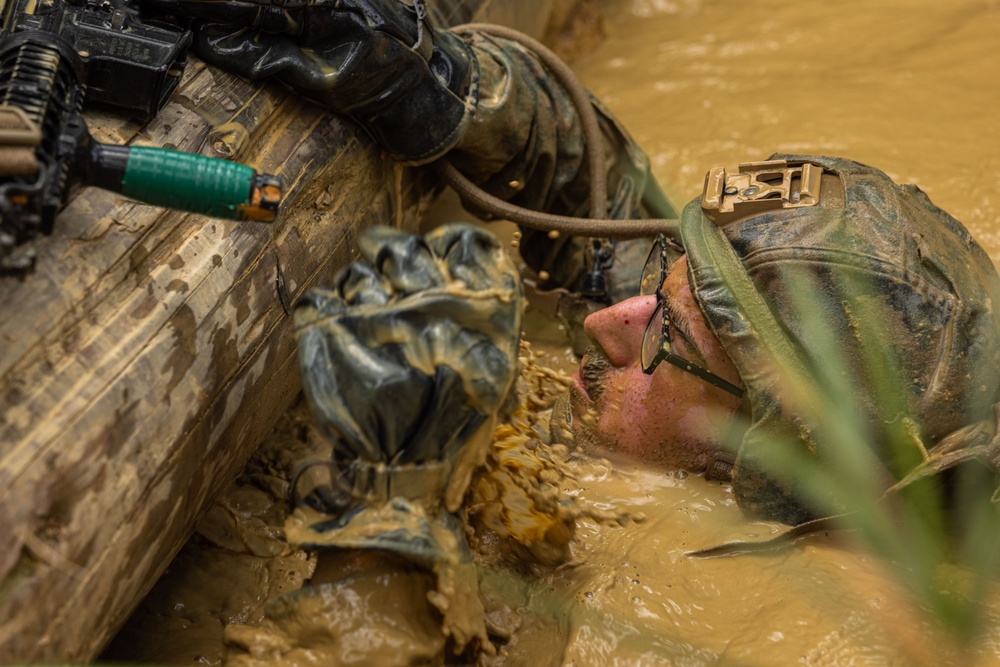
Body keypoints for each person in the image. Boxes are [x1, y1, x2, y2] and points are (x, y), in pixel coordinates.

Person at [148, 0, 1000, 661]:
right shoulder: (725, 381)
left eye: (665, 335)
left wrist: (380, 531)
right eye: (665, 276)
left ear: (762, 464)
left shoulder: (818, 627)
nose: (605, 321)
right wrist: (439, 82)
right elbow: (591, 182)